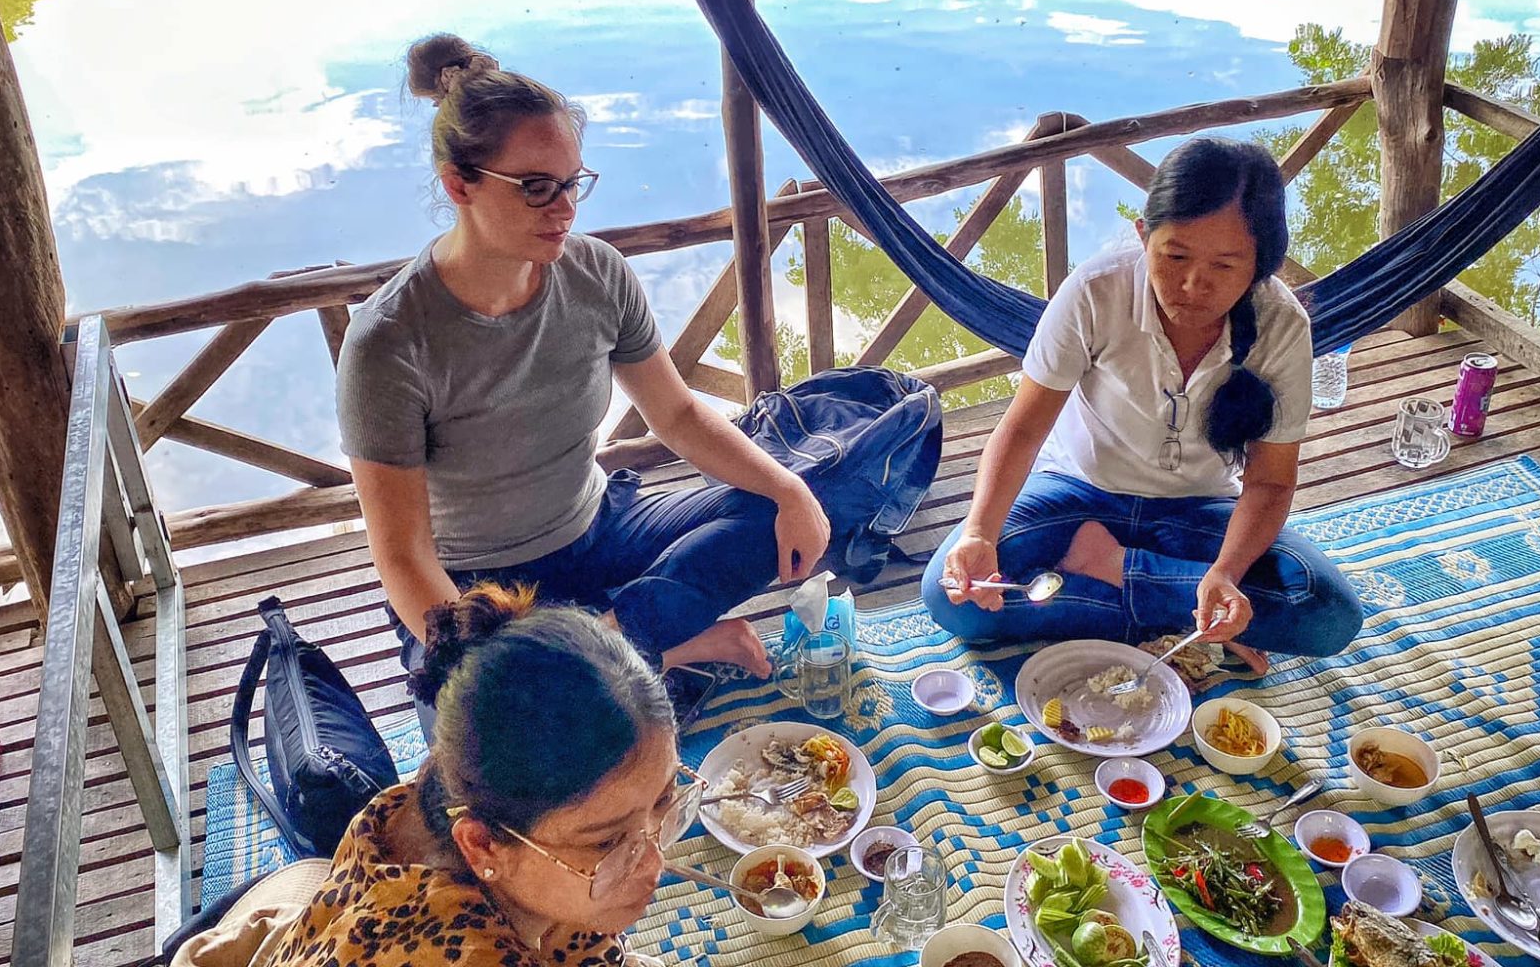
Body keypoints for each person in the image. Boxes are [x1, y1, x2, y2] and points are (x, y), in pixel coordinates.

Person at [338, 35, 830, 716]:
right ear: (460, 185)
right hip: (478, 586)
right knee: (501, 737)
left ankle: (603, 644)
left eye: (573, 183)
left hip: (601, 530)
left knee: (797, 501)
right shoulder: (388, 342)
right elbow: (402, 553)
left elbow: (678, 415)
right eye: (537, 188)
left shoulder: (597, 273)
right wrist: (487, 664)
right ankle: (661, 645)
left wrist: (787, 488)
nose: (565, 208)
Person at [921, 136, 1361, 670]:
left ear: (1261, 267)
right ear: (1143, 234)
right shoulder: (1096, 291)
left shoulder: (1282, 325)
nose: (1193, 285)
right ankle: (1190, 615)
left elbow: (1270, 481)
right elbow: (1022, 431)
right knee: (950, 593)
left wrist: (1224, 572)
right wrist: (978, 533)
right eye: (1174, 255)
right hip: (1077, 492)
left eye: (1225, 266)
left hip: (1199, 509)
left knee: (1328, 613)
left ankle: (1117, 573)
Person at [258, 584, 696, 967]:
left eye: (664, 797)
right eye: (605, 842)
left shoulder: (451, 789)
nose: (656, 864)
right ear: (482, 844)